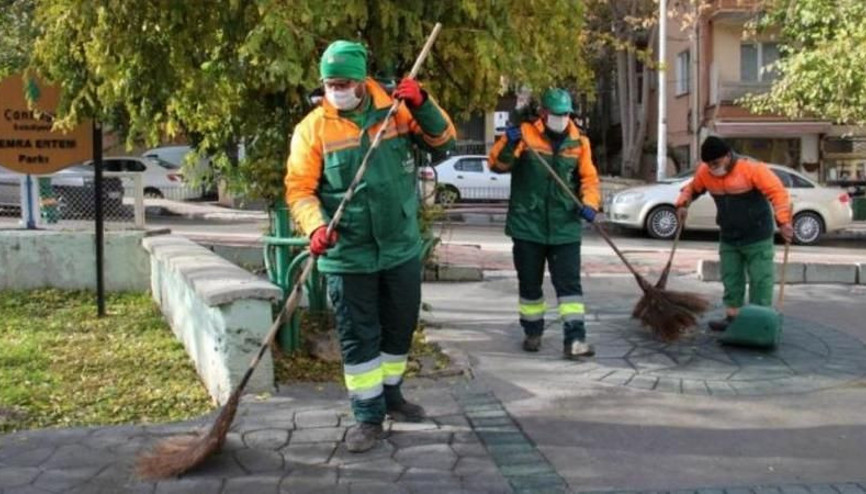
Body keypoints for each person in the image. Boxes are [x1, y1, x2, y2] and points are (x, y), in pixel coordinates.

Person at [285, 40, 456, 452]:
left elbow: (444, 142)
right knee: (358, 337)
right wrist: (315, 227)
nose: (337, 89)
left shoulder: (396, 111)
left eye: (344, 82)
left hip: (399, 247)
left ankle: (392, 396)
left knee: (399, 326)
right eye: (330, 83)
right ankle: (367, 416)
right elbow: (300, 190)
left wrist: (423, 103)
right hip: (348, 255)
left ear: (362, 81)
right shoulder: (313, 128)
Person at [488, 88, 601, 359]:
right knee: (530, 285)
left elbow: (589, 179)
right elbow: (497, 166)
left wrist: (590, 204)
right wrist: (507, 143)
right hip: (528, 224)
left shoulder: (579, 142)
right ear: (544, 113)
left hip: (565, 226)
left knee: (570, 287)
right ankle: (532, 332)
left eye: (566, 114)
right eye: (556, 114)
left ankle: (575, 340)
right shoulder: (525, 134)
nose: (562, 118)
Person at [675, 136, 794, 332]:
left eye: (716, 163)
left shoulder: (752, 170)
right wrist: (682, 204)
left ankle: (759, 320)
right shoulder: (705, 172)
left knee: (760, 280)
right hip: (729, 237)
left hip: (757, 236)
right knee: (731, 279)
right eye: (709, 164)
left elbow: (778, 193)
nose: (713, 168)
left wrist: (784, 222)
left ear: (728, 156)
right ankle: (733, 319)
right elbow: (691, 189)